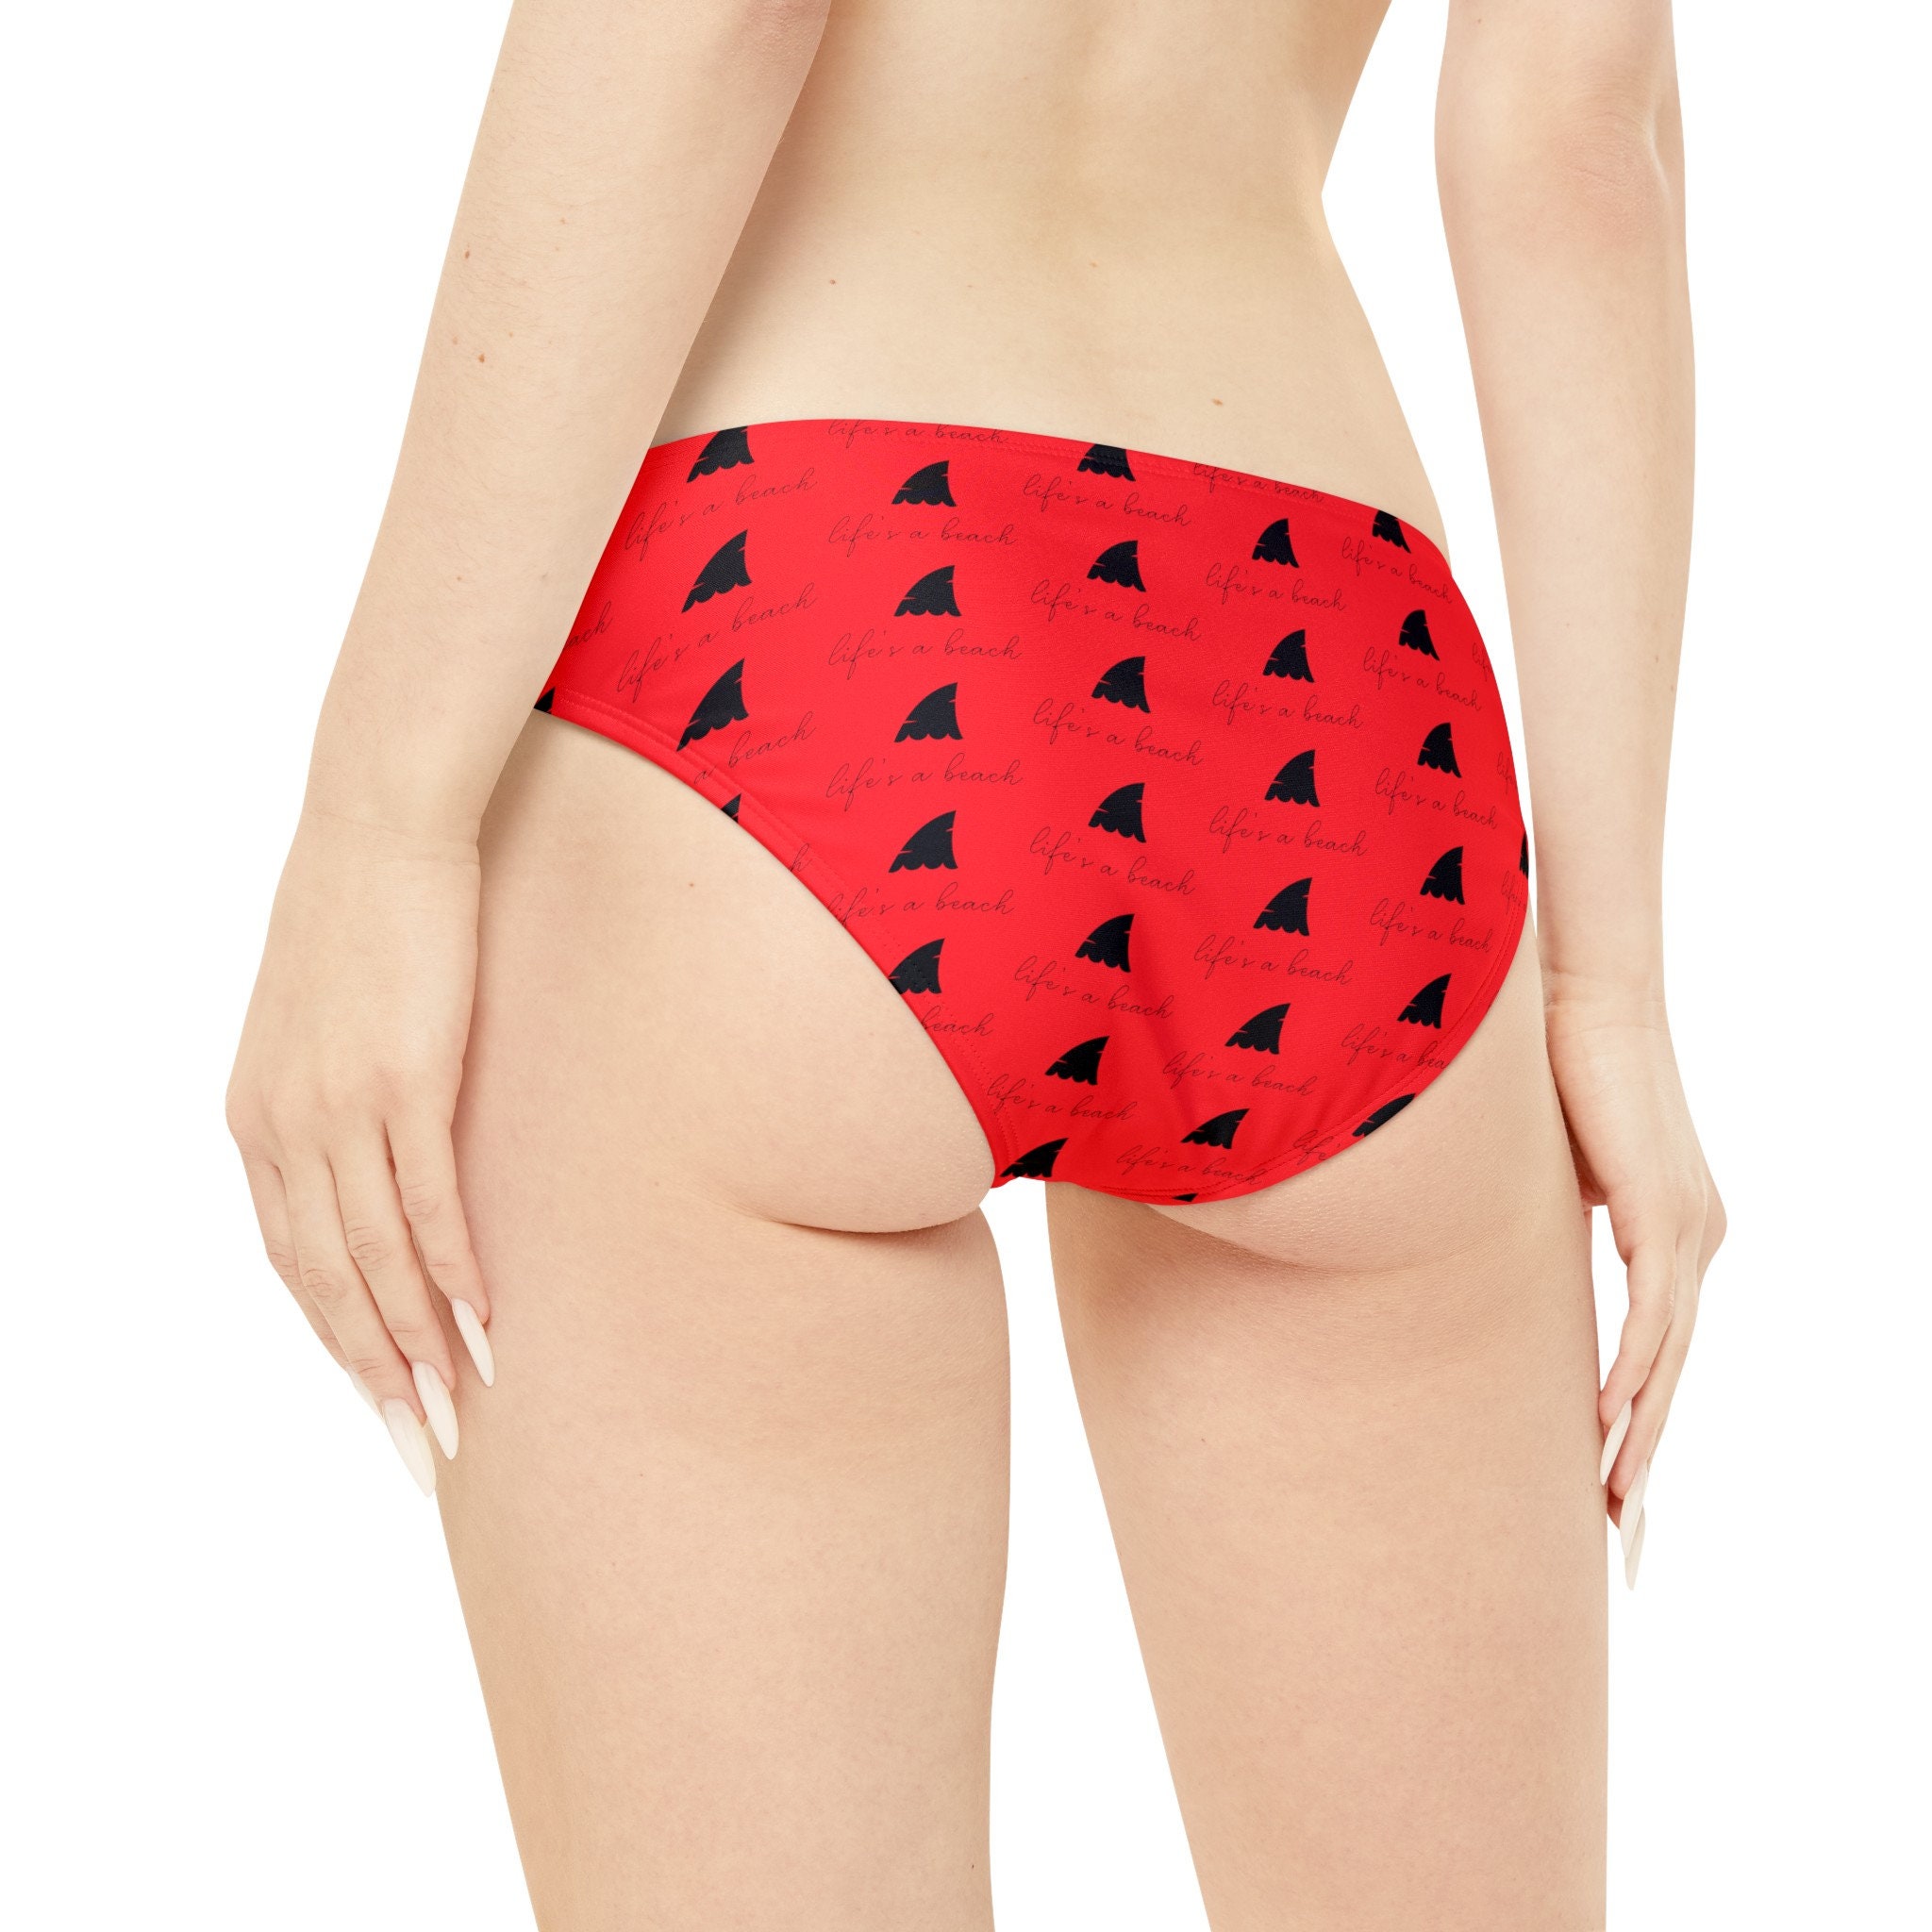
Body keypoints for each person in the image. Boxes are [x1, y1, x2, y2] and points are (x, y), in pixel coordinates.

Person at [225, 0, 1724, 1922]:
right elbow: (1578, 139)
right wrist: (1608, 983)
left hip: (805, 624)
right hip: (1337, 708)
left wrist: (383, 817)